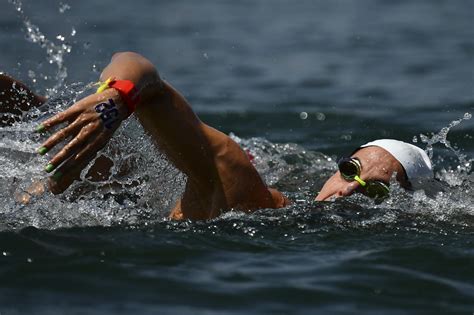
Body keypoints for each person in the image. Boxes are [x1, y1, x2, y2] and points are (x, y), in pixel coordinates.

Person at [0, 52, 434, 219]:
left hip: (136, 192)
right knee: (61, 126)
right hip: (137, 177)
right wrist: (114, 100)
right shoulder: (246, 187)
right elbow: (141, 70)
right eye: (349, 170)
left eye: (372, 193)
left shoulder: (251, 201)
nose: (345, 192)